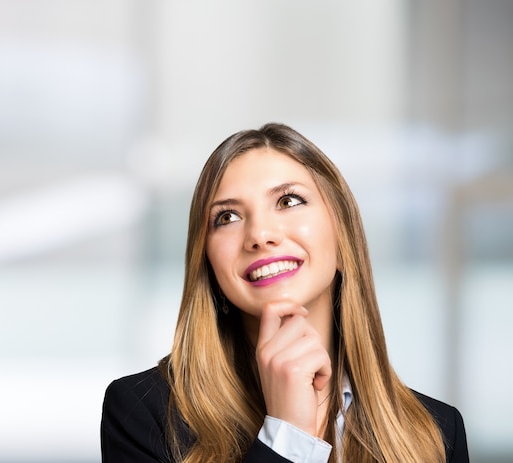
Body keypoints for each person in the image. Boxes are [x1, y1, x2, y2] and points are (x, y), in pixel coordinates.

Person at [100, 123, 469, 462]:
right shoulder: (142, 413)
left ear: (343, 239)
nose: (260, 234)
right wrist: (286, 436)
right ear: (209, 262)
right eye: (227, 217)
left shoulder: (438, 432)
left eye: (288, 201)